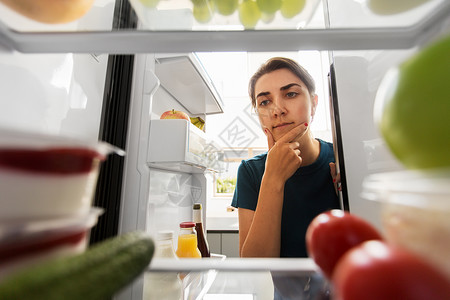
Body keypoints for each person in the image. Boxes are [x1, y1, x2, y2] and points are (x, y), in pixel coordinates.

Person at [231, 57, 340, 258]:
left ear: (314, 104)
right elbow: (254, 268)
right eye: (264, 102)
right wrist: (273, 178)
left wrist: (349, 202)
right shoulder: (251, 171)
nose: (278, 110)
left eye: (290, 94)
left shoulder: (342, 159)